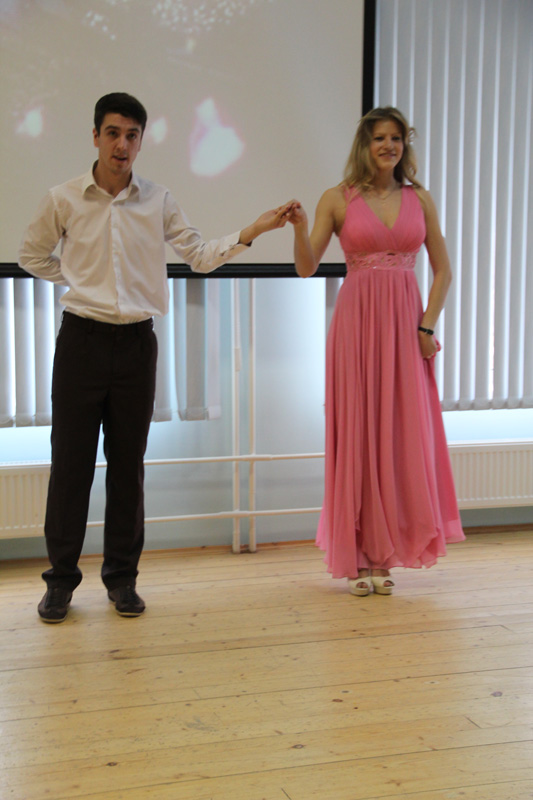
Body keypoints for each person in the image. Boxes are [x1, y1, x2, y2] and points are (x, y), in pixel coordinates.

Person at [19, 92, 296, 623]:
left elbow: (198, 256)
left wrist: (253, 231)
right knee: (70, 468)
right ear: (95, 136)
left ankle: (122, 580)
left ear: (141, 141)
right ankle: (60, 583)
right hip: (80, 343)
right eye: (113, 133)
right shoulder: (63, 199)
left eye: (132, 135)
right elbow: (32, 255)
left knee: (128, 468)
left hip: (135, 345)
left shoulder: (159, 200)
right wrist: (79, 280)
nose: (122, 145)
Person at [287, 106, 464, 596]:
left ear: (404, 145)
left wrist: (427, 325)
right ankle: (359, 558)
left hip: (406, 327)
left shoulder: (419, 198)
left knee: (400, 435)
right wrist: (300, 227)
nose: (388, 146)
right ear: (364, 145)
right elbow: (306, 266)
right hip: (357, 328)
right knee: (360, 434)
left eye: (396, 138)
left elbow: (444, 270)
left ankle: (385, 555)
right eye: (379, 138)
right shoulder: (337, 198)